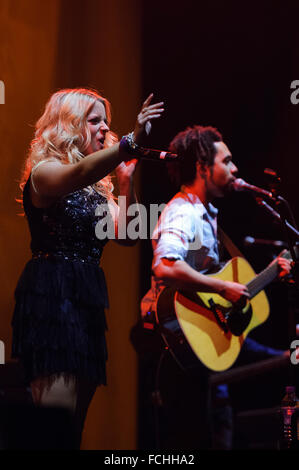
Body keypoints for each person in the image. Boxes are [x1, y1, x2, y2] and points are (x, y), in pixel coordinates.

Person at [11, 87, 164, 448]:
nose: (103, 129)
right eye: (94, 121)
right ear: (69, 125)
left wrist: (126, 180)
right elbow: (76, 175)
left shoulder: (99, 191)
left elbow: (129, 234)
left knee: (73, 429)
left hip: (86, 302)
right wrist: (129, 142)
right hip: (53, 296)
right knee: (55, 424)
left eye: (106, 123)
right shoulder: (45, 171)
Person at [139, 125, 292, 449]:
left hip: (204, 356)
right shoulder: (183, 212)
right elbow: (164, 266)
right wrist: (222, 287)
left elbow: (217, 308)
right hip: (180, 362)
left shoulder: (205, 214)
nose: (235, 169)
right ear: (202, 166)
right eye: (227, 161)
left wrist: (268, 276)